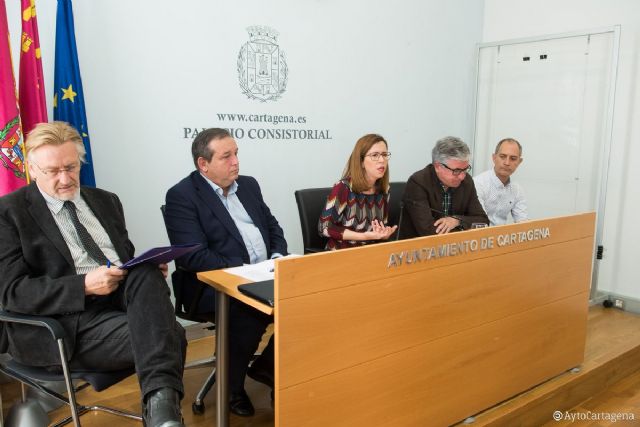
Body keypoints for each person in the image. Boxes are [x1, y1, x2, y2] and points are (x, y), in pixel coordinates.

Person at [0, 122, 186, 427]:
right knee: (172, 335)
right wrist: (83, 285)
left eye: (71, 167)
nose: (64, 178)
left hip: (121, 303)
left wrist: (145, 269)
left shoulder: (106, 201)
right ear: (32, 169)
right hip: (66, 323)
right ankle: (163, 413)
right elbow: (14, 293)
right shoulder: (8, 213)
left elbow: (124, 259)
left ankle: (162, 417)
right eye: (52, 171)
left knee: (145, 271)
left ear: (80, 161)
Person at [164, 128, 285, 417]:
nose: (236, 162)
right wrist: (246, 269)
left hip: (263, 274)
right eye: (226, 156)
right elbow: (193, 255)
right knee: (251, 309)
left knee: (307, 299)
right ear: (203, 164)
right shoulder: (182, 195)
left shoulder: (249, 185)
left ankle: (267, 369)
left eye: (236, 153)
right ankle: (231, 387)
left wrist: (277, 256)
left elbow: (272, 227)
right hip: (211, 286)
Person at [399, 136, 489, 238]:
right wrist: (465, 226)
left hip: (456, 247)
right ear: (438, 167)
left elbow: (482, 221)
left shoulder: (466, 182)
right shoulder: (418, 183)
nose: (462, 176)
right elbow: (428, 231)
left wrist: (457, 220)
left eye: (465, 169)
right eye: (457, 171)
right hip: (418, 248)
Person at [318, 134, 397, 249]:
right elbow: (324, 228)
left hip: (369, 252)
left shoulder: (384, 190)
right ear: (361, 162)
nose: (382, 160)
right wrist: (364, 236)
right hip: (341, 253)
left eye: (384, 155)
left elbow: (379, 227)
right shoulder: (343, 188)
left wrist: (383, 234)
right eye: (375, 155)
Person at [474, 138, 528, 225]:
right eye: (502, 156)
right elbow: (479, 222)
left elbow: (523, 223)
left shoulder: (517, 190)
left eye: (513, 158)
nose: (507, 162)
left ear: (519, 162)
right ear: (494, 158)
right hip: (480, 236)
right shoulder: (478, 184)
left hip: (502, 236)